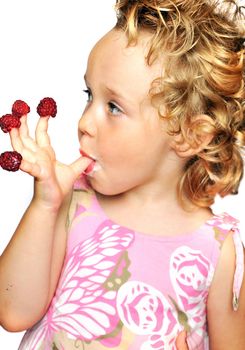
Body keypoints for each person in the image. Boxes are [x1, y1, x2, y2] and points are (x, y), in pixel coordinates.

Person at [0, 0, 244, 349]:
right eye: (89, 96)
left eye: (113, 107)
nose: (84, 123)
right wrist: (44, 205)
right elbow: (12, 311)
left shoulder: (219, 252)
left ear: (190, 134)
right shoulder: (72, 202)